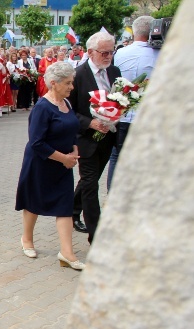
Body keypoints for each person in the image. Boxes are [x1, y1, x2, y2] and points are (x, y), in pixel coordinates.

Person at [15, 62, 85, 270]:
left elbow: (72, 130)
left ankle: (67, 253)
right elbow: (36, 142)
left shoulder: (67, 104)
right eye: (68, 83)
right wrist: (63, 158)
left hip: (63, 164)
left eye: (72, 82)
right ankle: (27, 239)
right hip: (41, 163)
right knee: (33, 202)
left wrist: (73, 150)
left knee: (65, 206)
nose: (72, 87)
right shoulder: (42, 108)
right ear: (53, 83)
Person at [69, 31, 122, 242]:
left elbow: (120, 100)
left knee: (90, 180)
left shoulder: (114, 71)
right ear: (90, 52)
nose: (109, 56)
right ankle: (96, 234)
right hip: (86, 138)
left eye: (112, 51)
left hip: (107, 137)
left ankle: (71, 210)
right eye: (104, 52)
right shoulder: (77, 76)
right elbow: (69, 110)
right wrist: (90, 122)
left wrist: (117, 114)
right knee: (91, 184)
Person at [108, 16, 159, 191]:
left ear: (134, 31)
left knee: (116, 157)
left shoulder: (119, 53)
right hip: (148, 117)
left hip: (122, 115)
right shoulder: (161, 53)